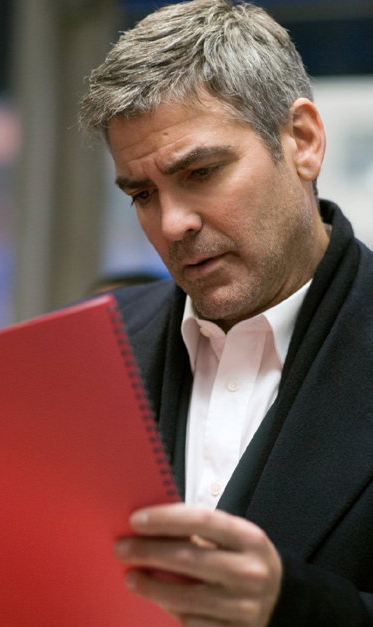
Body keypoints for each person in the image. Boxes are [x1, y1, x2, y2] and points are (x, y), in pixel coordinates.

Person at [79, 1, 373, 625]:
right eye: (142, 194)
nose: (171, 224)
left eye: (201, 172)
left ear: (303, 141)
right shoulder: (92, 348)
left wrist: (296, 608)